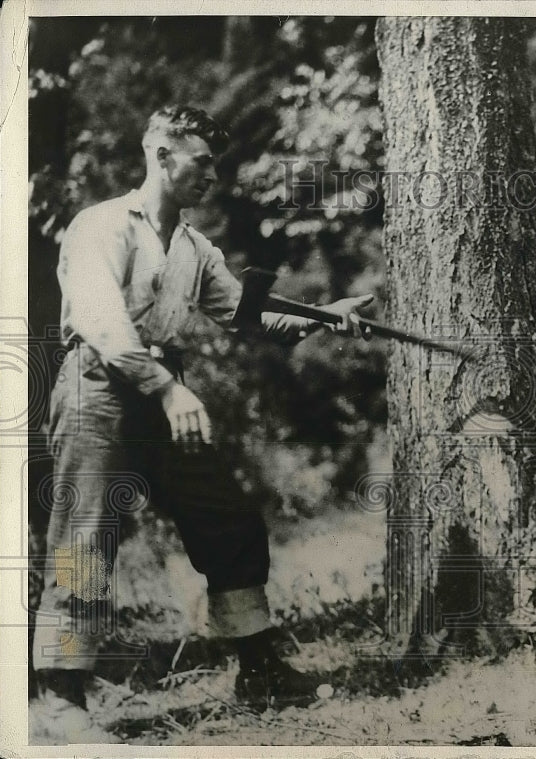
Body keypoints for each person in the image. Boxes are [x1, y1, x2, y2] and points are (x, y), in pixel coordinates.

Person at [32, 105, 373, 738]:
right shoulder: (100, 225)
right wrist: (167, 390)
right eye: (202, 161)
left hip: (164, 393)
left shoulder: (194, 247)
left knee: (228, 519)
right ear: (162, 154)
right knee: (85, 541)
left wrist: (327, 315)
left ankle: (259, 669)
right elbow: (103, 324)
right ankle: (60, 700)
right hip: (99, 388)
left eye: (216, 163)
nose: (212, 175)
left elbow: (246, 314)